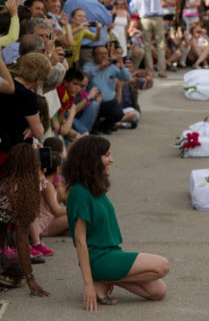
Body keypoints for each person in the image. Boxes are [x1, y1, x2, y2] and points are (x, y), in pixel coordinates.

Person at [64, 136, 169, 311]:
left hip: (111, 252)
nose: (111, 160)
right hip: (98, 258)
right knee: (162, 265)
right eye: (107, 155)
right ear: (92, 159)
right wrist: (88, 284)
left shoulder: (94, 186)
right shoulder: (79, 192)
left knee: (158, 291)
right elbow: (80, 241)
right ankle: (99, 280)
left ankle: (106, 280)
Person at [0, 144, 51, 296]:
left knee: (15, 269)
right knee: (18, 273)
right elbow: (22, 239)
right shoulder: (24, 191)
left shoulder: (5, 183)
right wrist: (31, 279)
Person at [0, 53, 50, 164]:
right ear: (38, 79)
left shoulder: (5, 83)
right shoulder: (27, 96)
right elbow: (39, 132)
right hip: (11, 152)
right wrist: (33, 127)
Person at [82, 46, 131, 134]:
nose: (104, 56)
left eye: (105, 53)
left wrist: (122, 67)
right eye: (101, 54)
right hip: (94, 100)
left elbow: (127, 77)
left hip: (109, 101)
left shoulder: (112, 67)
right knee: (93, 109)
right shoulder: (88, 65)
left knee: (119, 114)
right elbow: (85, 76)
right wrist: (99, 67)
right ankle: (94, 128)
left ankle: (104, 127)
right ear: (93, 56)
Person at [129, 0, 167, 78]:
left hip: (145, 18)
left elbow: (133, 8)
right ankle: (161, 70)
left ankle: (150, 70)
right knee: (160, 44)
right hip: (157, 17)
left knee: (147, 45)